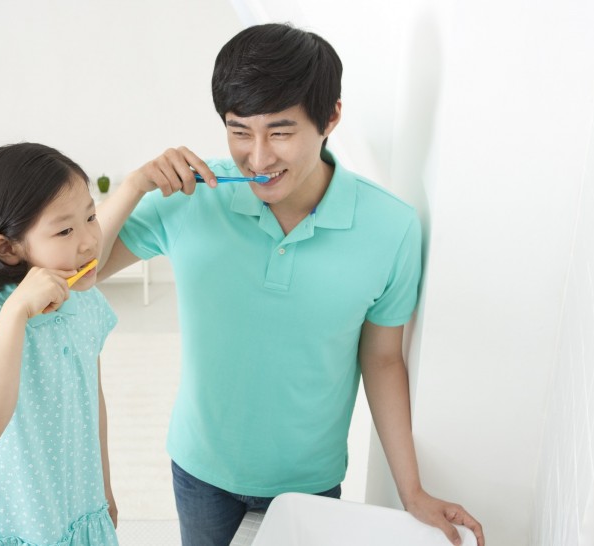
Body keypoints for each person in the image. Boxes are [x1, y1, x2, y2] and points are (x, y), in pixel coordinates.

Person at [95, 23, 484, 546]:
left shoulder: (391, 228)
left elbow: (382, 359)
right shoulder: (191, 198)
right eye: (239, 131)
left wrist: (410, 490)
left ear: (331, 118)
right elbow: (81, 274)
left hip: (310, 482)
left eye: (280, 132)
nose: (258, 158)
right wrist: (133, 187)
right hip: (200, 470)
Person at [0, 143, 119, 546]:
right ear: (8, 248)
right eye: (64, 230)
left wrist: (105, 489)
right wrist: (16, 311)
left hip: (80, 507)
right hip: (16, 523)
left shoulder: (85, 301)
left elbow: (93, 400)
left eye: (91, 217)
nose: (89, 241)